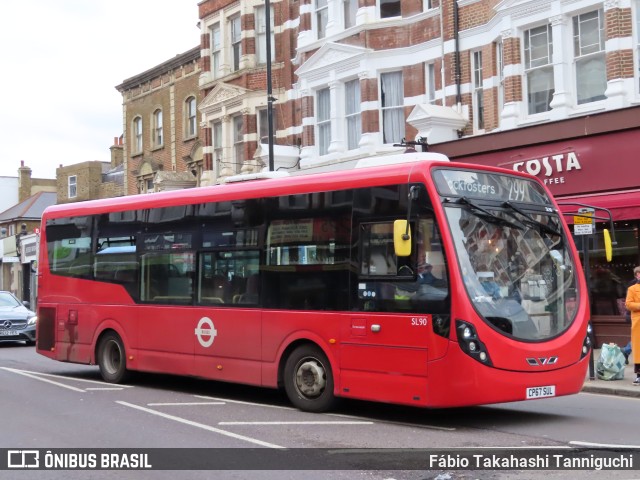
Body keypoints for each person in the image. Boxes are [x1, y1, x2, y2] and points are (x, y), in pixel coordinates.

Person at [624, 266, 640, 385]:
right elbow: (628, 304)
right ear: (637, 275)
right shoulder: (632, 289)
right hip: (638, 322)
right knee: (638, 350)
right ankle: (639, 375)